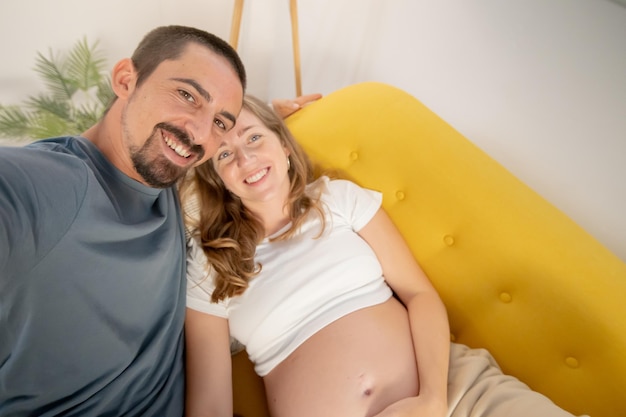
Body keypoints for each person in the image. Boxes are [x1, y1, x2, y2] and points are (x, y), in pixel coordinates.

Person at [182, 95, 584, 417]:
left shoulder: (337, 199)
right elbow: (210, 403)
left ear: (284, 146)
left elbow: (419, 295)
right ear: (217, 179)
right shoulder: (210, 262)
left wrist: (431, 400)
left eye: (254, 138)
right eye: (224, 155)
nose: (245, 159)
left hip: (454, 393)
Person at [0, 25, 246, 416]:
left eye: (220, 122)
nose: (199, 133)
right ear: (125, 80)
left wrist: (267, 126)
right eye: (186, 95)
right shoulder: (53, 184)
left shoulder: (168, 179)